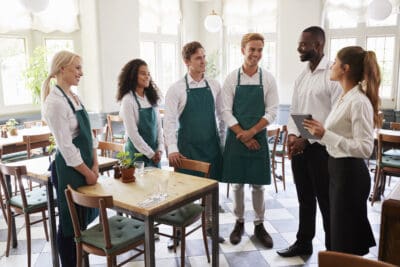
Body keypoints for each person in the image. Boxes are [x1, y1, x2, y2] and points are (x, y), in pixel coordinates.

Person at [303, 46, 378, 255]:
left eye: (334, 62)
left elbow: (365, 148)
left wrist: (325, 134)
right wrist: (320, 131)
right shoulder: (344, 98)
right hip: (338, 171)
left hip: (350, 175)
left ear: (345, 69)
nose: (331, 66)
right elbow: (340, 137)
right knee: (340, 237)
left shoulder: (358, 102)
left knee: (346, 241)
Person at [277, 26, 342, 257]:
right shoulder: (302, 76)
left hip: (322, 150)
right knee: (305, 198)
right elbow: (295, 110)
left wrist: (308, 140)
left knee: (326, 202)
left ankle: (333, 252)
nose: (299, 48)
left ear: (318, 45)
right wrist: (293, 136)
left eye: (304, 44)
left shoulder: (332, 75)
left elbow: (336, 116)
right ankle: (303, 242)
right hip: (301, 147)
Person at [164, 41, 225, 247]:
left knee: (211, 192)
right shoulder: (176, 89)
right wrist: (172, 149)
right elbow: (169, 121)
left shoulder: (214, 84)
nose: (203, 61)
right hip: (187, 150)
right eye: (198, 58)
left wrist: (223, 143)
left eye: (204, 57)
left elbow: (221, 115)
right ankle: (178, 232)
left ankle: (210, 227)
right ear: (186, 61)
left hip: (211, 147)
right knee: (183, 193)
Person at [221, 33, 279, 248]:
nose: (256, 54)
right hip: (237, 139)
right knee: (237, 184)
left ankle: (259, 224)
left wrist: (252, 132)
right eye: (252, 49)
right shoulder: (231, 78)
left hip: (258, 137)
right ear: (242, 49)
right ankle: (239, 223)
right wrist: (243, 136)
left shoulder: (268, 79)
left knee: (258, 185)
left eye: (260, 50)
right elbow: (225, 111)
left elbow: (272, 112)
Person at [42, 51, 99, 266]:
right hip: (69, 170)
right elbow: (66, 148)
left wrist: (95, 164)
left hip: (85, 167)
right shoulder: (54, 103)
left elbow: (90, 134)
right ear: (61, 69)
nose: (81, 73)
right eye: (77, 68)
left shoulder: (75, 97)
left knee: (81, 220)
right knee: (69, 224)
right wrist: (88, 172)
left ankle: (81, 261)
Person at [117, 59, 163, 167]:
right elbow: (133, 134)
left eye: (148, 74)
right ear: (132, 76)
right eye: (143, 73)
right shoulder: (128, 100)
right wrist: (151, 154)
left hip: (155, 155)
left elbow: (158, 127)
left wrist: (160, 149)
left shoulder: (151, 98)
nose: (147, 77)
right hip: (136, 156)